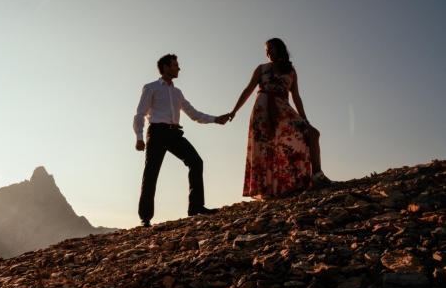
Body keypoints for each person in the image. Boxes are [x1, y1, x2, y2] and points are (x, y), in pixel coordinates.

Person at [227, 38, 332, 199]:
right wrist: (234, 110)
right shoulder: (261, 69)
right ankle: (267, 190)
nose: (268, 52)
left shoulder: (291, 71)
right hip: (262, 109)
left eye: (270, 48)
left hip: (283, 108)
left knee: (312, 133)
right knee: (265, 146)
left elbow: (296, 96)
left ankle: (316, 175)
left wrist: (305, 120)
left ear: (280, 49)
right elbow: (248, 90)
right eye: (266, 50)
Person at [134, 54, 230, 228]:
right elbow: (140, 113)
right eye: (175, 65)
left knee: (196, 162)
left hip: (174, 134)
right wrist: (139, 137)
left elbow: (194, 114)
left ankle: (196, 207)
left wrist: (216, 119)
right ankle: (145, 218)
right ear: (165, 67)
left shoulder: (178, 93)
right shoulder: (151, 88)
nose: (179, 68)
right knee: (151, 173)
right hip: (156, 133)